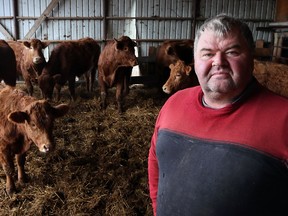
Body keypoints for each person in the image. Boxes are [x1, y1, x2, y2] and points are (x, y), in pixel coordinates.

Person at [148, 14, 288, 216]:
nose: (218, 62)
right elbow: (156, 162)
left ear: (251, 59)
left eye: (231, 52)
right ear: (195, 63)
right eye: (207, 54)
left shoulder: (283, 119)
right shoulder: (173, 105)